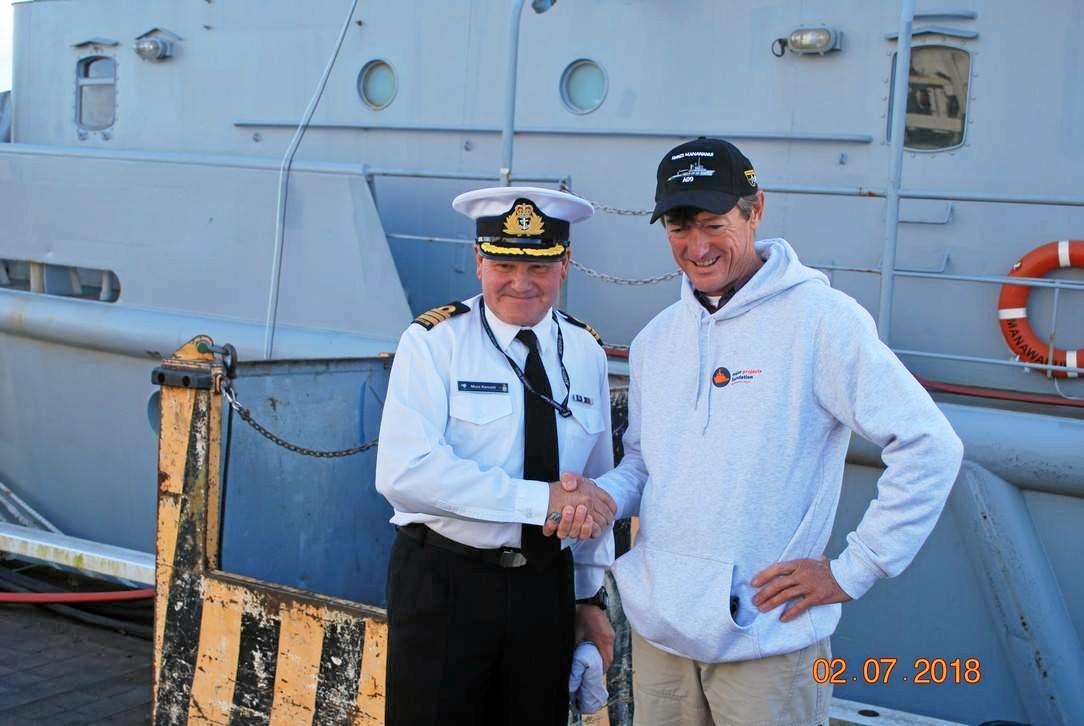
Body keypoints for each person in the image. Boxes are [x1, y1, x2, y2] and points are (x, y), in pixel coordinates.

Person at [556, 138, 965, 725]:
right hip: (662, 636)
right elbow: (646, 464)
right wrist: (604, 496)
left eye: (713, 223)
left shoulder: (823, 322)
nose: (697, 247)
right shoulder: (656, 340)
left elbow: (930, 444)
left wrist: (854, 569)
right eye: (678, 227)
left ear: (755, 211)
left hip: (767, 645)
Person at [375, 186, 618, 725]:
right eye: (504, 263)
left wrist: (588, 598)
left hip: (544, 589)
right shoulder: (435, 342)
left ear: (566, 264)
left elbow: (593, 489)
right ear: (478, 260)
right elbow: (404, 473)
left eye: (539, 265)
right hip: (447, 582)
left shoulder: (585, 351)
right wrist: (539, 503)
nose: (521, 282)